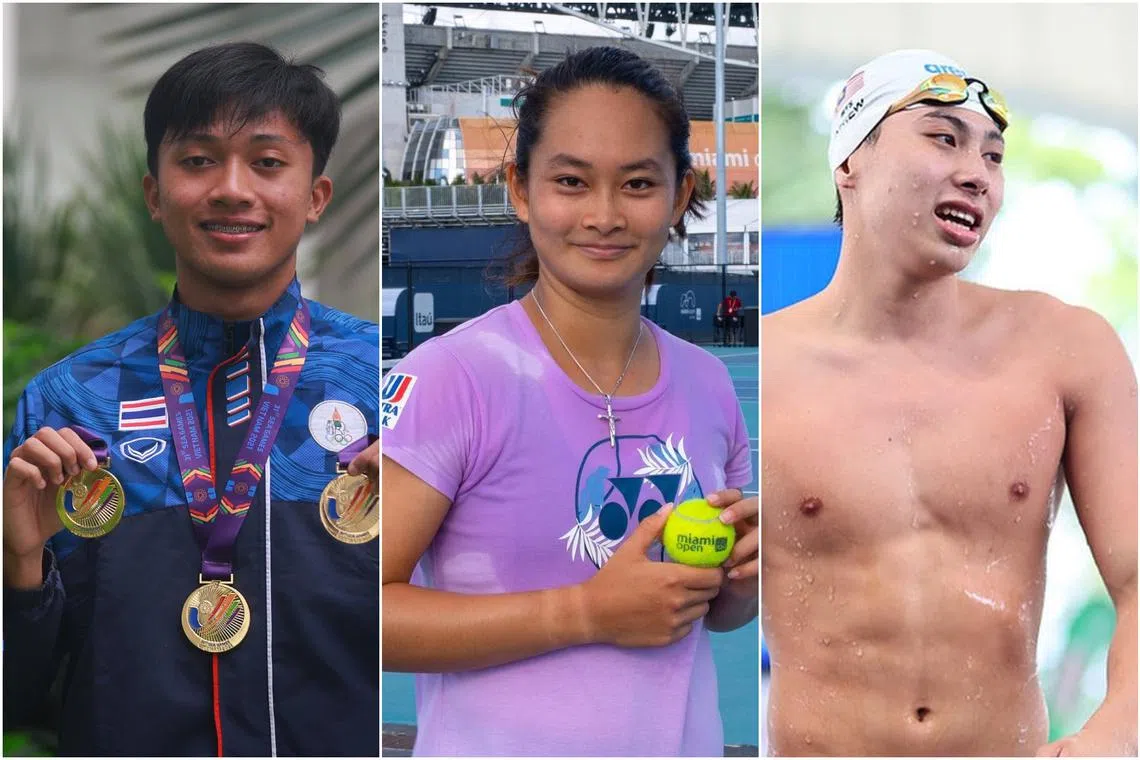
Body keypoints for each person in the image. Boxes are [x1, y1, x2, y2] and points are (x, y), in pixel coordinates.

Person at [2, 42, 380, 756]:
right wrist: (18, 574)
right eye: (198, 160)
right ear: (154, 194)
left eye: (268, 163)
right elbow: (16, 699)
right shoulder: (71, 405)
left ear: (315, 196)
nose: (232, 189)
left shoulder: (384, 388)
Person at [382, 46, 758, 756]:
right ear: (522, 190)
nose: (605, 214)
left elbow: (714, 615)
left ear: (680, 196)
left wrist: (739, 584)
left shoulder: (708, 384)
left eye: (639, 183)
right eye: (572, 181)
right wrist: (583, 612)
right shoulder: (453, 377)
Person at [762, 49, 1137, 756]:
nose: (978, 173)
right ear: (850, 160)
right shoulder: (759, 372)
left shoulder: (1066, 351)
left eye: (994, 157)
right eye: (944, 138)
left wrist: (1114, 734)